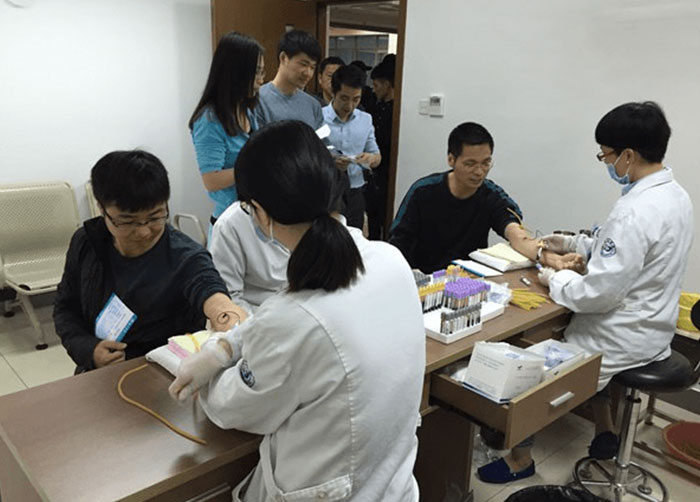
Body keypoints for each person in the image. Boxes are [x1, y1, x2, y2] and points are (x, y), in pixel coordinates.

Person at [168, 121, 425, 501]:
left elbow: (233, 408)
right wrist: (225, 347)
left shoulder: (293, 318)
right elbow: (284, 325)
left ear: (260, 212)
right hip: (393, 485)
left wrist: (209, 364)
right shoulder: (390, 261)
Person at [478, 101, 694, 483]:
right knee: (577, 346)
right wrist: (571, 243)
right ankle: (605, 430)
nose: (606, 163)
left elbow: (598, 294)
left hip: (621, 337)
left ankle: (520, 459)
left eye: (606, 155)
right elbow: (627, 251)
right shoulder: (676, 196)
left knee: (535, 369)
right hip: (653, 331)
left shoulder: (634, 210)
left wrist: (553, 277)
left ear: (628, 155)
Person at [53, 150, 246, 373]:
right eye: (128, 222)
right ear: (101, 208)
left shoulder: (185, 257)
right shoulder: (86, 242)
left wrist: (226, 314)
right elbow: (65, 307)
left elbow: (209, 288)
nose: (144, 232)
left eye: (155, 217)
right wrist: (89, 349)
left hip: (164, 374)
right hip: (96, 371)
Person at [389, 122, 572, 273]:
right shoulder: (423, 192)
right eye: (470, 164)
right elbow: (397, 245)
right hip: (424, 279)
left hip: (468, 281)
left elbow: (516, 235)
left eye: (486, 163)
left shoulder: (491, 195)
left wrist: (551, 258)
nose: (479, 172)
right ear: (451, 159)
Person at [189, 32, 264, 225]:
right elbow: (211, 180)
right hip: (229, 218)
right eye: (256, 72)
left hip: (252, 212)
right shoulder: (209, 120)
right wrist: (255, 165)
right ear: (236, 72)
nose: (261, 80)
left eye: (262, 72)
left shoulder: (247, 110)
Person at [323, 64, 381, 229]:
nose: (349, 105)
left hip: (356, 190)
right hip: (327, 190)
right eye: (344, 98)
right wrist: (331, 162)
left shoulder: (365, 119)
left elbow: (377, 156)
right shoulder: (318, 117)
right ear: (333, 92)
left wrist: (370, 159)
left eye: (356, 99)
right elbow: (310, 155)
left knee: (355, 235)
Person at [209, 200, 288, 314]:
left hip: (299, 309)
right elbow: (228, 299)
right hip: (256, 314)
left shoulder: (305, 217)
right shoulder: (230, 225)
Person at [255, 30, 323, 129]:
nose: (308, 73)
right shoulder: (259, 100)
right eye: (303, 64)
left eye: (312, 67)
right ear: (283, 58)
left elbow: (321, 138)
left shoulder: (313, 106)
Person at [365, 58, 395, 239]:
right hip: (372, 174)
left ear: (387, 84)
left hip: (388, 173)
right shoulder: (373, 108)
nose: (373, 89)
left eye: (376, 85)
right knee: (373, 219)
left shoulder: (396, 112)